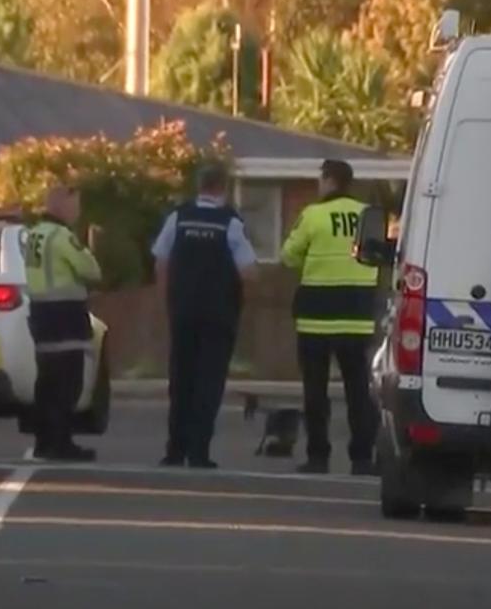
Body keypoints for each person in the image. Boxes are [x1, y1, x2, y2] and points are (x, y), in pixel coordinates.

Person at [152, 163, 259, 469]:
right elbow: (248, 272)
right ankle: (199, 452)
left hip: (183, 310)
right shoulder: (230, 223)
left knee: (181, 378)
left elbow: (160, 261)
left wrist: (167, 301)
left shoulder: (179, 217)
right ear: (222, 188)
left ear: (199, 186)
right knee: (208, 382)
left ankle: (175, 450)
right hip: (219, 314)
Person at [281, 159, 381, 476]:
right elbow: (380, 256)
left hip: (317, 316)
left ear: (327, 180)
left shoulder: (313, 215)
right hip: (357, 314)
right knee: (358, 391)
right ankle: (362, 458)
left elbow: (288, 256)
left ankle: (318, 456)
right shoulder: (369, 215)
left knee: (315, 390)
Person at [23, 185, 102, 461]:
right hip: (65, 315)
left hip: (41, 314)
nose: (77, 211)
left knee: (46, 381)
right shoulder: (61, 236)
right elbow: (90, 270)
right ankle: (61, 443)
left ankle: (44, 441)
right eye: (75, 204)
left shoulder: (35, 234)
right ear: (62, 205)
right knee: (67, 383)